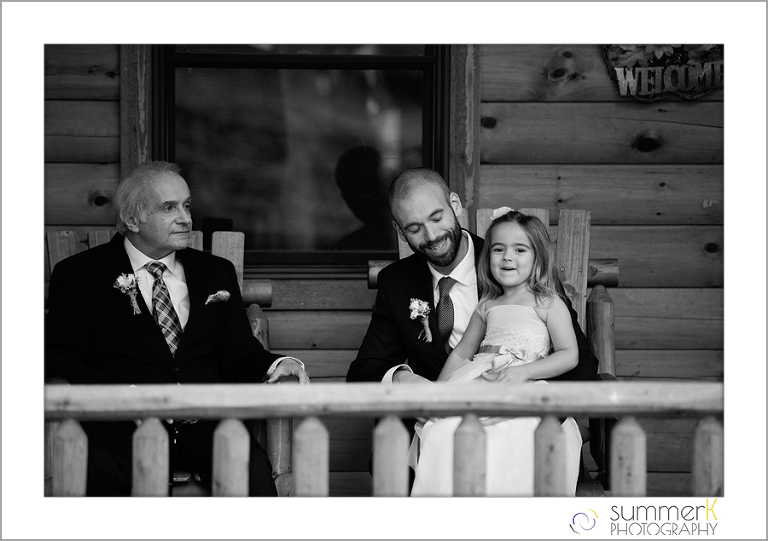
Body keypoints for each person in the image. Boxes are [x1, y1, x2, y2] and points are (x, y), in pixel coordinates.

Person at [45, 161, 309, 496]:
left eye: (186, 205)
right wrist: (121, 396)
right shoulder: (80, 275)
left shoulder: (215, 273)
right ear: (132, 219)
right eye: (169, 208)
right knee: (96, 467)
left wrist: (279, 364)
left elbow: (239, 353)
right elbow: (60, 360)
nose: (185, 218)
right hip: (121, 428)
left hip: (207, 426)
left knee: (248, 466)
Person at [345, 168, 599, 486]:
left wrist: (532, 402)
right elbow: (364, 369)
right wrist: (401, 379)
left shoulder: (513, 264)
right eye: (414, 228)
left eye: (437, 217)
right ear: (400, 230)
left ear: (455, 204)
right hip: (445, 421)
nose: (432, 236)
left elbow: (582, 359)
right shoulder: (396, 282)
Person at [411, 207, 582, 496]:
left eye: (520, 250)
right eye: (498, 249)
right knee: (446, 431)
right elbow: (462, 354)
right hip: (482, 383)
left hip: (523, 386)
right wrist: (437, 395)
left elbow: (569, 354)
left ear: (538, 257)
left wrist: (524, 372)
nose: (507, 257)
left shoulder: (548, 303)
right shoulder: (487, 306)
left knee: (517, 434)